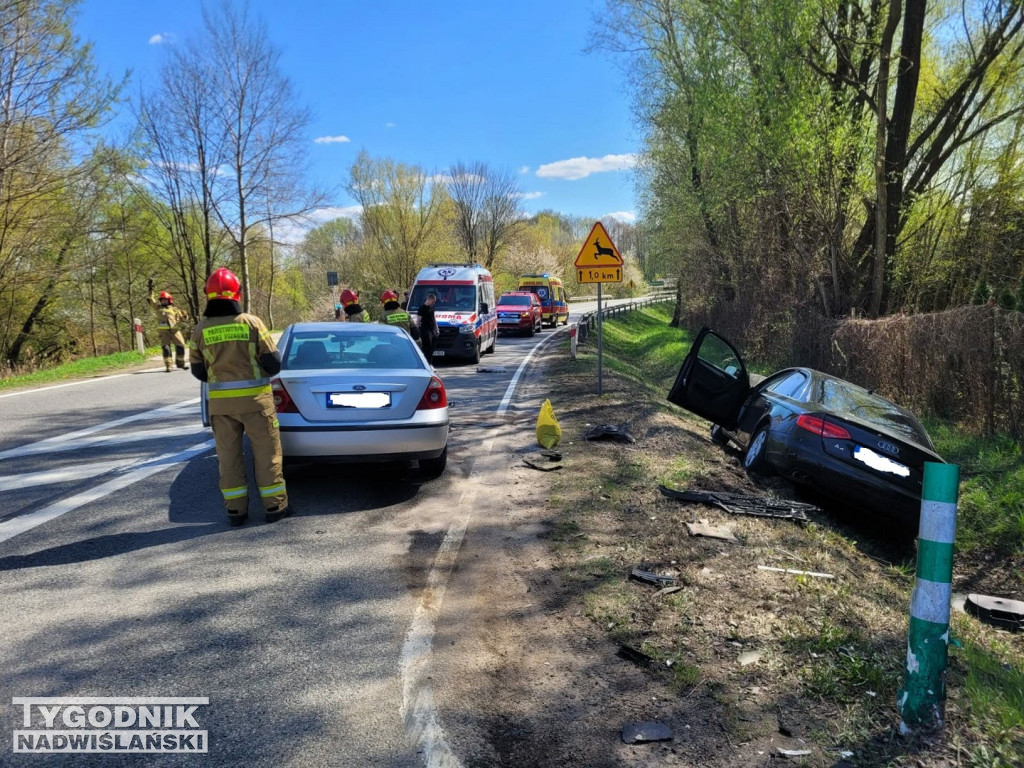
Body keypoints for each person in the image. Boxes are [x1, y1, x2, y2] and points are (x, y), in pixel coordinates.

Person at [189, 268, 291, 527]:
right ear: (237, 293)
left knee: (228, 458)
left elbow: (198, 371)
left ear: (207, 295)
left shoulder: (200, 330)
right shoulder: (252, 323)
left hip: (222, 407)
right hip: (257, 403)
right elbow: (274, 363)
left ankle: (235, 510)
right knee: (267, 455)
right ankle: (274, 507)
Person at [148, 279, 189, 372]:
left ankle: (180, 364)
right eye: (162, 300)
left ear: (169, 300)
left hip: (175, 331)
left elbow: (183, 319)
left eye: (165, 300)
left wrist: (185, 315)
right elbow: (151, 299)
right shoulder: (158, 308)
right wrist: (150, 289)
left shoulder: (175, 309)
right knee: (166, 349)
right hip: (164, 333)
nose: (163, 302)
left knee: (181, 346)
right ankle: (168, 366)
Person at [417, 292, 439, 361]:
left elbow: (434, 318)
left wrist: (437, 328)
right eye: (433, 302)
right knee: (427, 348)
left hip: (433, 330)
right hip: (425, 330)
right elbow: (418, 321)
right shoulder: (422, 309)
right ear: (429, 299)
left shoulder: (432, 308)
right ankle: (428, 363)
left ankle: (430, 362)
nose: (433, 303)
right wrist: (417, 331)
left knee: (433, 346)